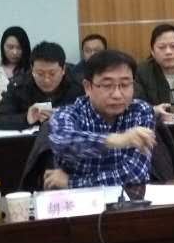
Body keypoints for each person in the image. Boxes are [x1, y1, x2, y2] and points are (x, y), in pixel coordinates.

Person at [46, 49, 156, 188]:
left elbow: (136, 173)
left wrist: (72, 182)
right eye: (107, 85)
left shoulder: (140, 111)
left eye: (125, 84)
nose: (117, 94)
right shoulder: (67, 113)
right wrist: (117, 140)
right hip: (78, 200)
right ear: (88, 87)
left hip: (125, 199)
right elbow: (62, 141)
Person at [0, 40, 81, 130]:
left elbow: (89, 117)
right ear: (32, 69)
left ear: (63, 70)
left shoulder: (78, 83)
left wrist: (66, 117)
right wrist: (26, 119)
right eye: (40, 74)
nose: (46, 80)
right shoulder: (19, 85)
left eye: (52, 74)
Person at [0, 25, 31, 100]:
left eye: (19, 48)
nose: (14, 52)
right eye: (10, 47)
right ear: (2, 46)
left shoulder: (33, 70)